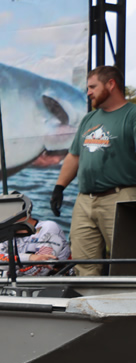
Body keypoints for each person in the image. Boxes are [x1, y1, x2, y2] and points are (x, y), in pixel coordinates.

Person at [50, 65, 136, 277]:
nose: (88, 92)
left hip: (120, 197)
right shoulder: (89, 119)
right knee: (83, 264)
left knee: (125, 263)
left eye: (92, 87)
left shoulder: (132, 115)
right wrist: (59, 187)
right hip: (85, 200)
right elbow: (74, 155)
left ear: (111, 84)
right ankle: (87, 306)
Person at [0, 214, 69, 277]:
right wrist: (31, 258)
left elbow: (42, 270)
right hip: (16, 284)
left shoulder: (49, 227)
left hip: (51, 285)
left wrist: (10, 267)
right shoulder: (6, 233)